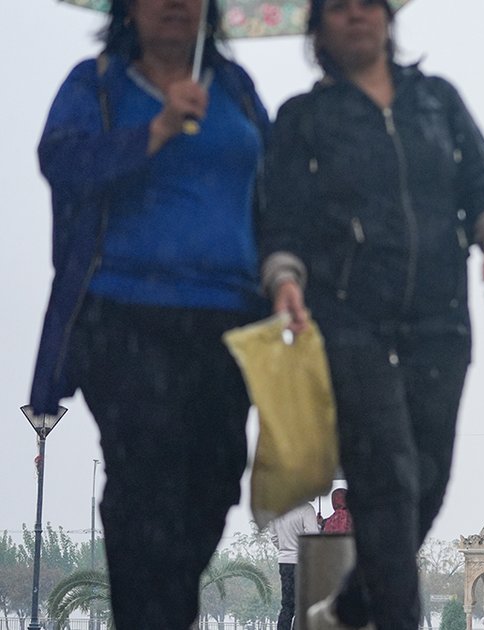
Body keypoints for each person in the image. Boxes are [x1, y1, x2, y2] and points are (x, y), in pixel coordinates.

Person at [258, 0, 484, 628]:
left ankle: (350, 605)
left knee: (429, 480)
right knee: (386, 485)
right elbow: (280, 214)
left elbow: (481, 181)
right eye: (339, 7)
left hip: (440, 321)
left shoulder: (436, 101)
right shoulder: (304, 119)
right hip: (350, 325)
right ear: (318, 27)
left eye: (368, 4)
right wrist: (285, 278)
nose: (356, 16)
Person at [30, 0, 269, 627]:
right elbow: (62, 162)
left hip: (229, 323)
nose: (174, 4)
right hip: (124, 316)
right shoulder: (97, 84)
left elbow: (275, 188)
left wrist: (286, 276)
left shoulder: (234, 89)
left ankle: (159, 611)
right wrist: (155, 130)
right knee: (146, 475)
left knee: (216, 477)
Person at [270, 501, 321, 630]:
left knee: (287, 605)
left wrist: (285, 549)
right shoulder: (306, 509)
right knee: (303, 604)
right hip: (303, 563)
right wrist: (319, 525)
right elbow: (312, 536)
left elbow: (274, 537)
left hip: (284, 562)